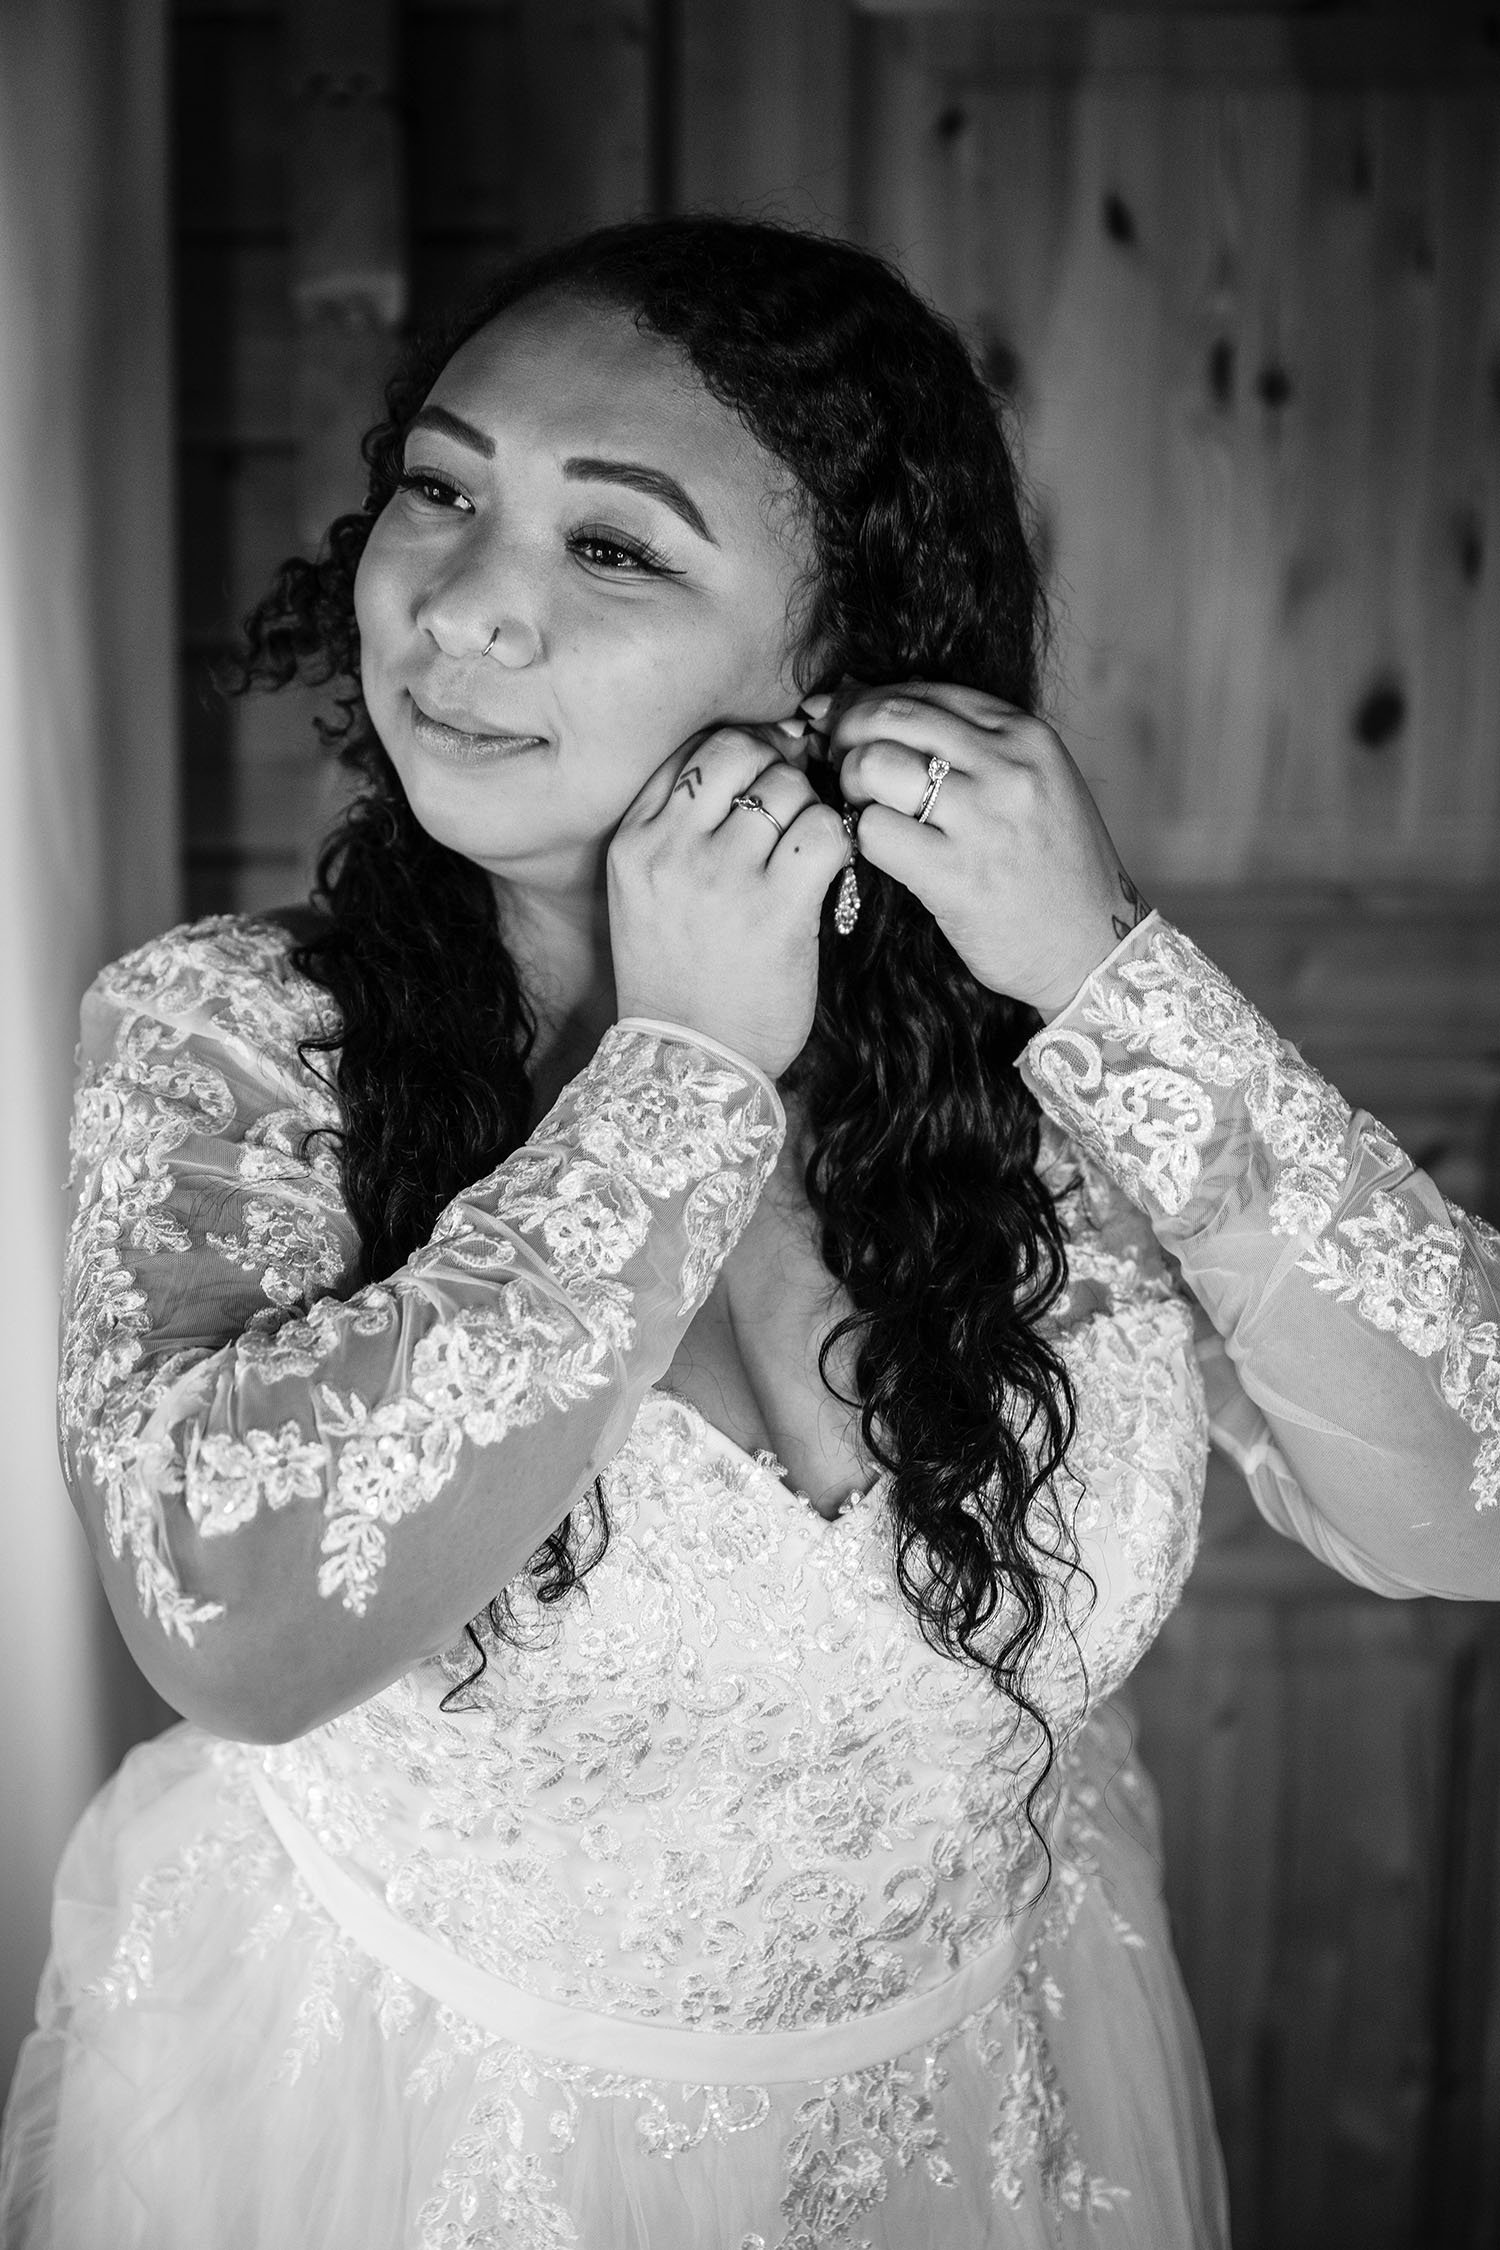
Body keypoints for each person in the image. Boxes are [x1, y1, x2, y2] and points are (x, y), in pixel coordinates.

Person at [2, 215, 1496, 2250]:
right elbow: (238, 1620)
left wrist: (1118, 979)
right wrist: (685, 1074)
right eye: (438, 491)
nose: (459, 607)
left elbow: (1463, 1496)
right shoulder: (244, 1042)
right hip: (407, 2146)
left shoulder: (1041, 1061)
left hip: (982, 2138)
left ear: (838, 666)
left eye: (610, 548)